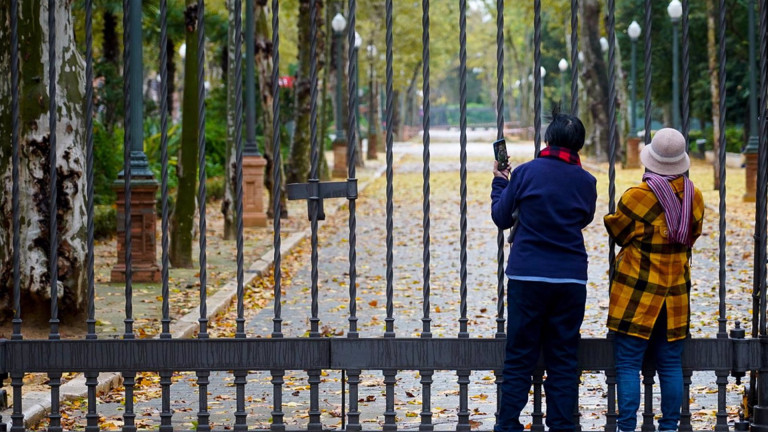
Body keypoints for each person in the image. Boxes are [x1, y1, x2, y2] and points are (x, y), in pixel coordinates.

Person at [491, 109, 597, 432]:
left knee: (520, 356)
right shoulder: (587, 182)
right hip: (569, 279)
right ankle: (563, 426)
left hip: (527, 277)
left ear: (548, 138)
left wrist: (500, 182)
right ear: (578, 144)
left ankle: (507, 425)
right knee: (564, 359)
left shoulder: (525, 174)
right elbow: (584, 218)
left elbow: (501, 217)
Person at [604, 128, 704, 432]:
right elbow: (693, 236)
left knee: (629, 364)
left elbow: (618, 232)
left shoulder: (636, 197)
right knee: (670, 365)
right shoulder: (694, 197)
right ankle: (670, 426)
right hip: (674, 296)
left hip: (637, 293)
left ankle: (626, 427)